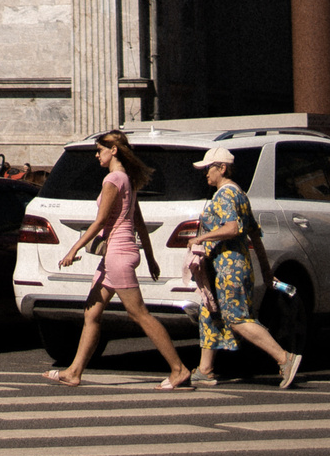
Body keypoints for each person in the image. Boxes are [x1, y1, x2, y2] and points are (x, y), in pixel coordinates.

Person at [49, 130, 192, 388]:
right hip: (117, 255)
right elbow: (137, 221)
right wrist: (149, 257)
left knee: (139, 314)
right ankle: (74, 371)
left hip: (117, 254)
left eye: (99, 150)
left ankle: (179, 369)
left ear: (113, 150)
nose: (96, 155)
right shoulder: (125, 179)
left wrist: (74, 248)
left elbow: (101, 220)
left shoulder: (113, 180)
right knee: (92, 313)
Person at [185, 148, 302, 389]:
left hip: (228, 267)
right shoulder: (240, 195)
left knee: (236, 318)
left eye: (209, 168)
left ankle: (285, 358)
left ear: (222, 168)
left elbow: (232, 229)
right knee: (210, 313)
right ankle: (205, 370)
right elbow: (254, 235)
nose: (206, 173)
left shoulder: (225, 195)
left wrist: (201, 239)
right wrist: (267, 271)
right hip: (234, 266)